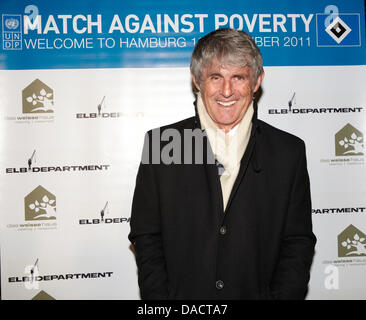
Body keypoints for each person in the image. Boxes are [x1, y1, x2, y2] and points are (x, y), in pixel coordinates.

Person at [128, 28, 316, 300]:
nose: (227, 91)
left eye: (238, 77)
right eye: (215, 77)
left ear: (256, 81)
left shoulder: (288, 151)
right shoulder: (166, 144)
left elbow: (297, 242)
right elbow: (146, 235)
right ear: (196, 80)